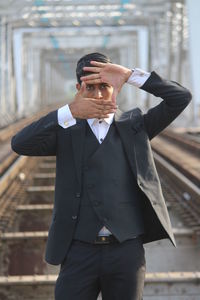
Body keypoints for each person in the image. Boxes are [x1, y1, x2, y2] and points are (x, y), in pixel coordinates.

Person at [11, 52, 192, 300]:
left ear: (115, 88)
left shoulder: (135, 126)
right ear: (78, 89)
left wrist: (130, 76)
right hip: (78, 250)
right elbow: (20, 144)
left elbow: (181, 97)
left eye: (104, 87)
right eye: (90, 87)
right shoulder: (66, 130)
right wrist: (69, 111)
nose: (97, 95)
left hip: (126, 251)